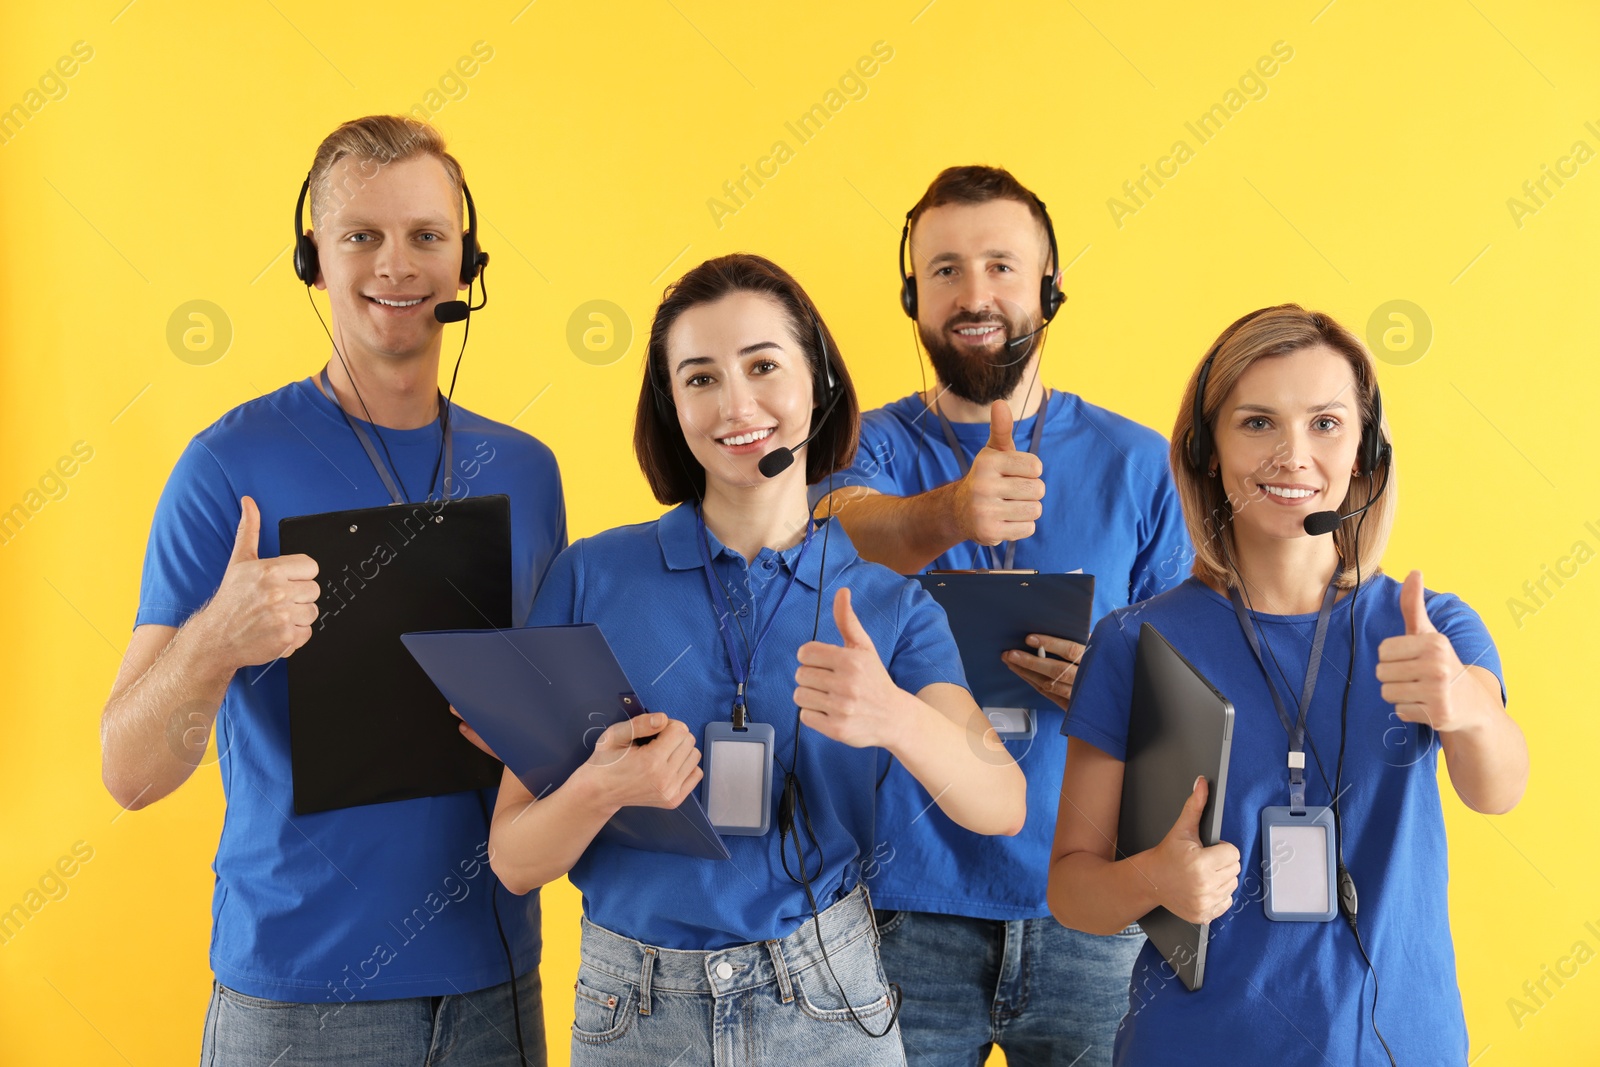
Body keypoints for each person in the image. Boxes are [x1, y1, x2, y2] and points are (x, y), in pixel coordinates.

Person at [99, 115, 564, 1064]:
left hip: (497, 988)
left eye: (427, 236)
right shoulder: (225, 466)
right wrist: (214, 640)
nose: (397, 264)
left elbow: (556, 720)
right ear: (311, 259)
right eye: (361, 236)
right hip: (299, 1004)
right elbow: (129, 773)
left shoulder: (527, 470)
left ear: (468, 261)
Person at [483, 253, 1025, 1066]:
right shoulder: (590, 578)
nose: (737, 405)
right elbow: (514, 859)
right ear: (672, 406)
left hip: (828, 1000)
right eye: (699, 379)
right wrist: (601, 789)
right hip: (634, 1008)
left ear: (820, 382)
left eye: (763, 365)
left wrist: (896, 716)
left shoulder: (889, 605)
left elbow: (1001, 800)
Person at [1049, 304, 1528, 1063]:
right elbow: (1072, 889)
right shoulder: (1133, 641)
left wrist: (1466, 705)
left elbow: (1499, 788)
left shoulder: (1430, 627)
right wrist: (1154, 878)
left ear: (1366, 452)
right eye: (1258, 423)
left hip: (1399, 1043)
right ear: (1207, 449)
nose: (1292, 455)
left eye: (1327, 423)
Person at [811, 165, 1190, 1065]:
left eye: (1000, 266)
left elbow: (1193, 689)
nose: (973, 293)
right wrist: (950, 512)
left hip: (1093, 911)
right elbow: (829, 530)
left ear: (1050, 287)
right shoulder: (861, 444)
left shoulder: (1142, 465)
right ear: (912, 295)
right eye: (944, 270)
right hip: (904, 910)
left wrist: (1116, 691)